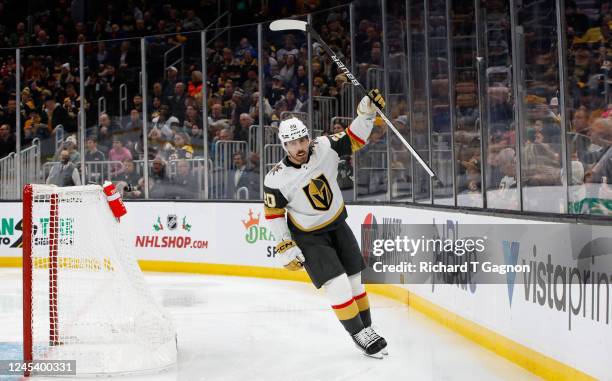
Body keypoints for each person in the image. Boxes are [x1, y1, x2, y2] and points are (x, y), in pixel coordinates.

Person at [263, 90, 388, 358]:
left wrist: (367, 113)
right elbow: (274, 213)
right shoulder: (276, 178)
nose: (298, 147)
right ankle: (358, 334)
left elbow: (355, 138)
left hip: (337, 224)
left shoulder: (324, 147)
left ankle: (367, 328)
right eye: (291, 143)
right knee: (338, 283)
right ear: (283, 146)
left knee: (356, 281)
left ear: (308, 137)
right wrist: (285, 245)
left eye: (301, 140)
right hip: (309, 236)